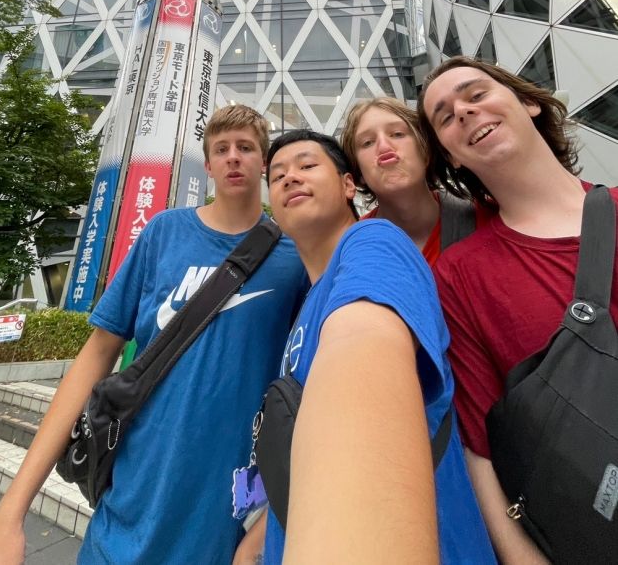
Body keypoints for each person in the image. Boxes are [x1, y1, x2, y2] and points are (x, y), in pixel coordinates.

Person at [0, 105, 306, 565]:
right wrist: (10, 513)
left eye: (247, 148)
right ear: (207, 165)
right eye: (221, 149)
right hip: (132, 494)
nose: (234, 158)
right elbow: (96, 356)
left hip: (223, 511)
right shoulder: (163, 233)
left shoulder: (293, 257)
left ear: (264, 162)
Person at [261, 129, 496, 564]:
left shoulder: (375, 245)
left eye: (308, 166)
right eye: (277, 176)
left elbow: (362, 347)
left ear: (349, 185)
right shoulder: (308, 302)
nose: (290, 177)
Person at [417, 56, 618, 565]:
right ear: (451, 157)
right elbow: (480, 443)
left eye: (475, 94)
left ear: (529, 103)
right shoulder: (460, 276)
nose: (462, 111)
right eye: (443, 116)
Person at [340, 96, 492, 264]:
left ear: (425, 151)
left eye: (398, 134)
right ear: (358, 172)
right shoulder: (352, 246)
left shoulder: (488, 216)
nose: (384, 147)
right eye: (367, 142)